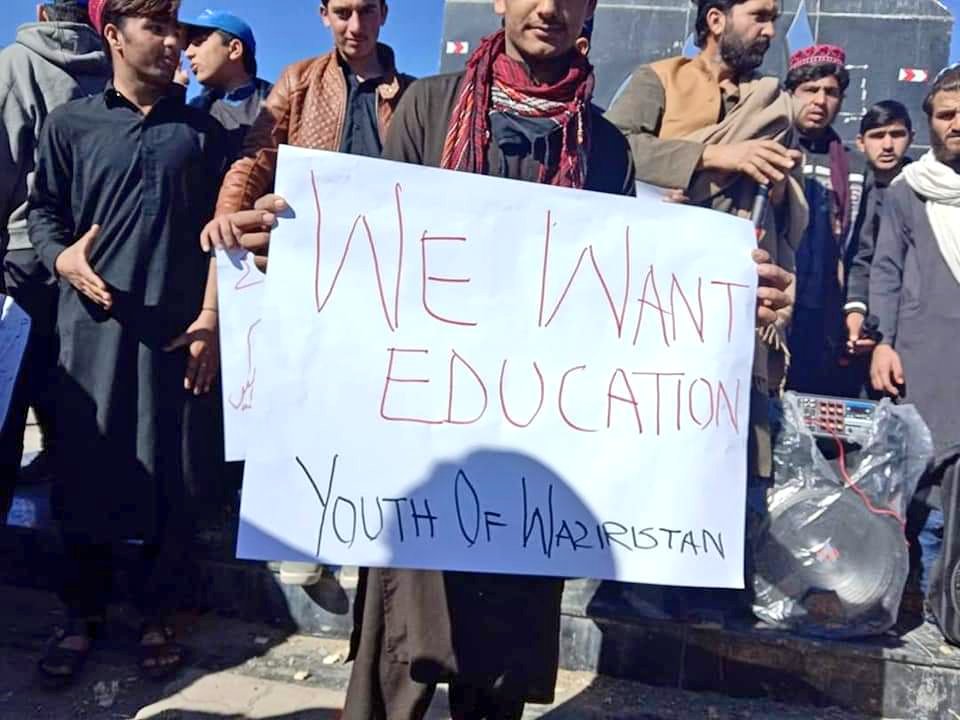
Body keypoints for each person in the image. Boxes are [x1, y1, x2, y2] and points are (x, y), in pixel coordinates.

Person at [27, 0, 228, 685]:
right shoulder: (69, 124)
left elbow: (221, 241)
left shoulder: (201, 134)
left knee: (169, 476)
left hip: (174, 341)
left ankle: (156, 616)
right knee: (82, 472)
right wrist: (62, 260)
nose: (174, 43)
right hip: (86, 338)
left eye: (178, 31)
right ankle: (80, 617)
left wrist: (209, 319)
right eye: (158, 30)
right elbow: (46, 211)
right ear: (113, 36)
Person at [207, 0, 412, 589]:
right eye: (342, 12)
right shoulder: (299, 81)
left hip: (383, 270)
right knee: (306, 399)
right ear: (323, 14)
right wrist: (229, 214)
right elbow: (256, 154)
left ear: (384, 14)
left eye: (366, 11)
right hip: (313, 266)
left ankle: (373, 527)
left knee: (377, 401)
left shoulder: (417, 94)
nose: (355, 26)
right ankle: (306, 532)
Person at [606, 0, 804, 485]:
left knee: (733, 467)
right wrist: (717, 156)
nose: (769, 31)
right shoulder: (660, 79)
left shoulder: (772, 100)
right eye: (759, 16)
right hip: (659, 296)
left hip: (740, 303)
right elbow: (612, 148)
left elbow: (786, 206)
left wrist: (776, 182)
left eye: (774, 20)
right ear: (716, 20)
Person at [0, 0, 110, 519]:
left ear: (43, 13)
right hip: (96, 258)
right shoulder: (115, 69)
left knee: (9, 400)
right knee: (79, 409)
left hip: (21, 255)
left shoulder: (12, 65)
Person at [870, 65, 960, 596]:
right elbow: (886, 268)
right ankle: (912, 601)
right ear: (930, 124)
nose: (958, 125)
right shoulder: (909, 191)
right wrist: (883, 343)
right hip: (922, 356)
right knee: (920, 488)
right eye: (947, 116)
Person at [783, 44, 869, 397]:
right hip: (773, 309)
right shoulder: (767, 152)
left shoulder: (857, 170)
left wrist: (855, 310)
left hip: (826, 320)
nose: (820, 100)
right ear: (790, 93)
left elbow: (863, 251)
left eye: (831, 92)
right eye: (810, 90)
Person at [844, 100, 914, 351]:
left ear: (911, 138)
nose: (887, 145)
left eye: (896, 135)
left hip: (909, 317)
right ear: (861, 142)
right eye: (877, 136)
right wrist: (855, 308)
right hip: (851, 311)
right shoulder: (849, 187)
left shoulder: (922, 189)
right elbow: (859, 256)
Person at [182, 9, 272, 158]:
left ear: (235, 49)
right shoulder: (194, 110)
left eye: (199, 42)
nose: (188, 53)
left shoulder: (281, 103)